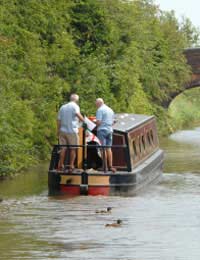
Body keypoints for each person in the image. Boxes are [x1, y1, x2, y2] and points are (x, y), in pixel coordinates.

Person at [57, 94, 84, 172]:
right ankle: (71, 166)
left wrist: (58, 131)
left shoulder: (62, 107)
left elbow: (58, 120)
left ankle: (60, 165)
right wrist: (84, 121)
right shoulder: (75, 106)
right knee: (73, 149)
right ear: (77, 100)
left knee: (63, 148)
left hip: (62, 131)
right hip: (72, 131)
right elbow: (78, 114)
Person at [95, 98, 116, 173]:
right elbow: (114, 121)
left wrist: (93, 124)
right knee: (108, 148)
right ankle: (110, 166)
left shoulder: (100, 110)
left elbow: (98, 122)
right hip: (110, 130)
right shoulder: (110, 109)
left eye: (96, 104)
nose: (96, 106)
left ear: (98, 103)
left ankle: (104, 167)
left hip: (102, 130)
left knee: (102, 148)